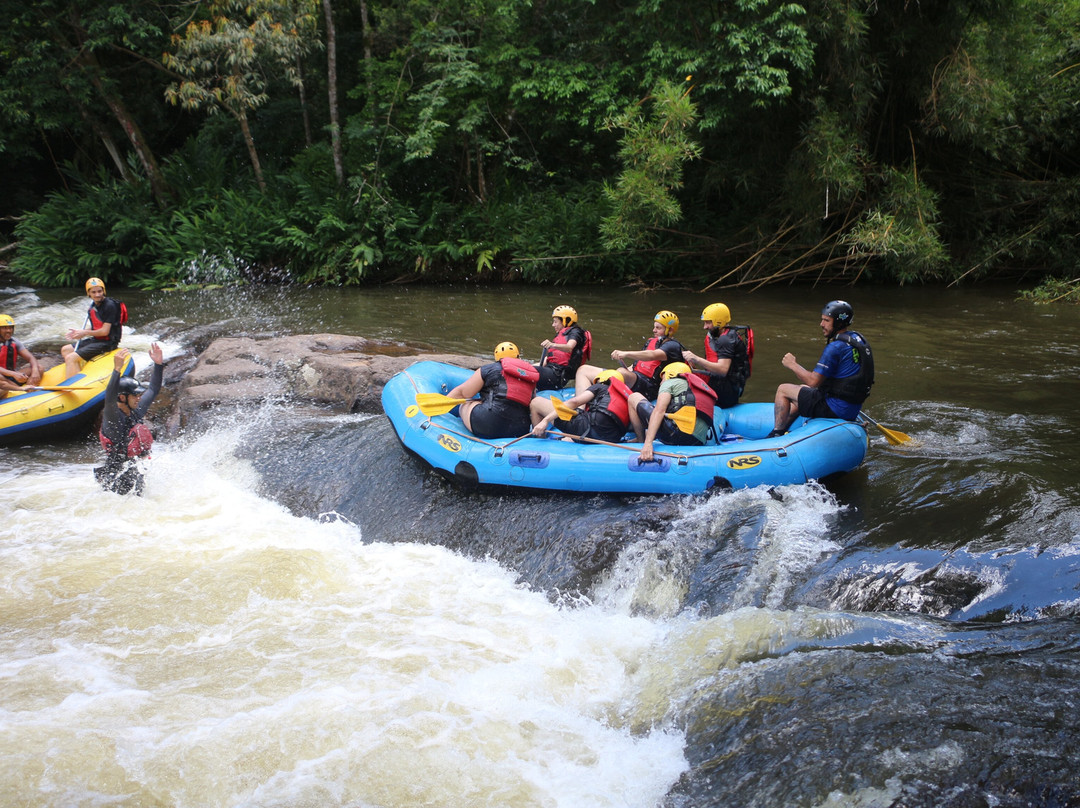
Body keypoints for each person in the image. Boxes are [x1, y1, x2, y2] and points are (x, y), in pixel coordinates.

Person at [768, 299, 875, 438]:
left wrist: (792, 364)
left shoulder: (835, 347)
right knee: (803, 388)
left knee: (783, 389)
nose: (821, 324)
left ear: (838, 322)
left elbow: (814, 382)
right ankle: (786, 427)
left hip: (835, 409)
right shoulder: (856, 339)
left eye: (826, 321)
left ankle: (776, 434)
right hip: (851, 407)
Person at [95, 344, 164, 495]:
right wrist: (116, 370)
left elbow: (152, 390)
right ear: (122, 397)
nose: (139, 398)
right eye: (135, 395)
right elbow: (109, 399)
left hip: (133, 470)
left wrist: (158, 365)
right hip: (115, 477)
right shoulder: (112, 417)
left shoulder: (135, 412)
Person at [575, 310, 684, 400]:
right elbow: (637, 365)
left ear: (670, 330)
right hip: (635, 378)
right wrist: (626, 368)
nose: (654, 330)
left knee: (621, 373)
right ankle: (581, 407)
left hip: (650, 387)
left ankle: (596, 396)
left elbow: (652, 355)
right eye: (654, 327)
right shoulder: (651, 341)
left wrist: (626, 353)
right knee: (583, 370)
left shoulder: (673, 346)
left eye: (658, 328)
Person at [446, 342, 540, 439]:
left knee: (465, 403)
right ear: (518, 357)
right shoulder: (529, 377)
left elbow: (463, 393)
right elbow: (531, 404)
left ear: (497, 356)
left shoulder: (488, 369)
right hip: (520, 429)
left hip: (489, 424)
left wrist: (444, 402)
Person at [627, 362, 717, 462]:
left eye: (662, 378)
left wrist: (648, 444)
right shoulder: (698, 388)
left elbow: (659, 411)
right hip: (697, 441)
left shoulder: (670, 382)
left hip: (677, 434)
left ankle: (640, 440)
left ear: (671, 374)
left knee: (633, 397)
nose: (661, 383)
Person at [529, 369, 640, 444]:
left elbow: (575, 402)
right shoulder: (627, 398)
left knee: (536, 402)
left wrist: (545, 420)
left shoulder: (600, 387)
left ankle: (539, 442)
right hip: (611, 438)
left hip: (588, 431)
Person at [682, 302, 752, 409]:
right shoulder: (725, 335)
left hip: (728, 395)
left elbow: (723, 370)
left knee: (682, 377)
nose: (704, 327)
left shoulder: (726, 340)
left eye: (708, 323)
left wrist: (696, 358)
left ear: (718, 322)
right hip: (729, 386)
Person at [62, 277, 124, 377]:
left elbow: (104, 331)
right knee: (66, 349)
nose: (97, 294)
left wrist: (85, 333)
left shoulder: (110, 306)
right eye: (93, 292)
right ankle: (77, 373)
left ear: (104, 291)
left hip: (108, 342)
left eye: (100, 291)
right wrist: (79, 332)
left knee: (71, 357)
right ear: (89, 293)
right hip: (97, 340)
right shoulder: (94, 305)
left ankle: (72, 383)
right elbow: (96, 326)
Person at [535, 305, 590, 391]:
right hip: (550, 370)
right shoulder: (563, 334)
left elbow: (569, 347)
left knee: (530, 371)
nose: (553, 325)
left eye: (555, 322)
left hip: (557, 376)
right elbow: (547, 360)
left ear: (566, 320)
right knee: (525, 368)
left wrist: (552, 345)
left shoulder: (576, 332)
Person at [0, 314, 43, 398]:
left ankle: (28, 391)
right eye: (5, 328)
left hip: (10, 376)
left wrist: (35, 371)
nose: (9, 331)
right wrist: (13, 374)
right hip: (3, 378)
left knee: (39, 368)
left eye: (11, 328)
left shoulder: (14, 342)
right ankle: (18, 389)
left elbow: (31, 358)